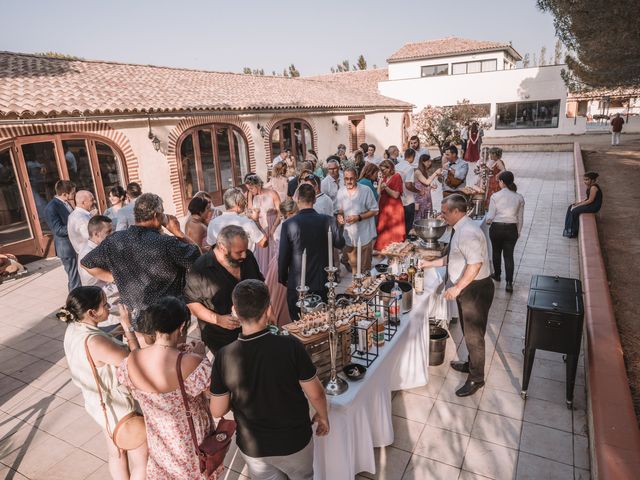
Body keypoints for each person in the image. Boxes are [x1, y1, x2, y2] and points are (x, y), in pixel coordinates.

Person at [210, 280, 329, 480]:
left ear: (234, 312)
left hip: (254, 447)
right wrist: (323, 415)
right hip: (294, 441)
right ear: (268, 310)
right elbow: (316, 393)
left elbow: (217, 410)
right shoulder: (290, 346)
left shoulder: (223, 356)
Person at [117, 297, 220, 480]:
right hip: (192, 441)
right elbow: (213, 395)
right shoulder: (192, 363)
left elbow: (137, 356)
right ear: (182, 327)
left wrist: (128, 328)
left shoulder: (132, 362)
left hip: (160, 441)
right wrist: (200, 356)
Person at [59, 286, 147, 479]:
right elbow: (134, 360)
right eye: (105, 305)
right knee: (142, 459)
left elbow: (99, 348)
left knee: (116, 454)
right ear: (92, 313)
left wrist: (113, 334)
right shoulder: (95, 342)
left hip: (98, 405)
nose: (109, 307)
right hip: (119, 407)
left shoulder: (73, 328)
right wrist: (127, 326)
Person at [81, 193, 200, 328]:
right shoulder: (167, 243)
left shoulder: (114, 240)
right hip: (168, 317)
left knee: (145, 348)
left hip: (137, 318)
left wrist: (114, 277)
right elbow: (198, 259)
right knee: (173, 349)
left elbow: (86, 263)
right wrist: (178, 233)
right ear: (156, 215)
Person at [420, 195, 494, 397]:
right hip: (469, 288)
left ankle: (476, 378)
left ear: (456, 212)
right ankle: (471, 364)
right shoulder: (460, 228)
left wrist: (457, 287)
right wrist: (429, 263)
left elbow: (475, 264)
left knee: (473, 337)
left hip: (475, 289)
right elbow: (453, 258)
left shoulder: (468, 232)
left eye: (444, 212)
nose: (441, 215)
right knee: (467, 331)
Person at [185, 225, 264, 353]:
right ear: (222, 247)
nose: (244, 255)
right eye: (238, 252)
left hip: (253, 329)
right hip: (222, 337)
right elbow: (192, 303)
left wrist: (268, 307)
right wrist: (218, 319)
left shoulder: (248, 257)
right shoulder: (200, 269)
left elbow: (259, 283)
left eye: (245, 250)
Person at [279, 184, 344, 320]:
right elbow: (340, 243)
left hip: (298, 284)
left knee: (299, 323)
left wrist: (283, 277)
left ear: (297, 199)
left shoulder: (288, 224)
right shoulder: (328, 220)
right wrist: (341, 226)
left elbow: (283, 256)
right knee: (322, 321)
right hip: (322, 281)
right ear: (314, 200)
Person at [485, 171, 525, 293]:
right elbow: (520, 218)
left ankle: (497, 275)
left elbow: (490, 216)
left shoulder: (495, 196)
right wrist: (518, 232)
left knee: (496, 252)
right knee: (509, 256)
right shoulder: (519, 197)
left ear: (502, 182)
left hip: (496, 228)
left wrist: (488, 221)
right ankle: (509, 283)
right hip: (511, 229)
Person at [335, 167, 379, 274]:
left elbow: (375, 210)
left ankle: (366, 287)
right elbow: (339, 210)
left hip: (365, 234)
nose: (349, 181)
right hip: (349, 234)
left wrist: (358, 217)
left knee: (365, 269)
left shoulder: (365, 190)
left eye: (351, 178)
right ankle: (356, 286)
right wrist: (339, 216)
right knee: (354, 267)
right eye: (346, 179)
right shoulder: (341, 192)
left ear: (356, 177)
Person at [265, 200, 298, 327]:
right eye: (296, 212)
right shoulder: (283, 228)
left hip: (280, 262)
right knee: (283, 296)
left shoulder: (283, 226)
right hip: (284, 264)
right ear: (290, 213)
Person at [44, 179, 80, 291]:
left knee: (78, 275)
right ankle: (74, 302)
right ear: (65, 194)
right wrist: (77, 226)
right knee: (74, 277)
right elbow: (58, 230)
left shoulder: (66, 202)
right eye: (73, 193)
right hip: (66, 248)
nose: (74, 195)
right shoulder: (51, 208)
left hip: (74, 244)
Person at [246, 174, 281, 275]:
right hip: (260, 227)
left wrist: (274, 227)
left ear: (257, 185)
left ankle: (274, 275)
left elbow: (280, 212)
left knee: (273, 253)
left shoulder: (272, 193)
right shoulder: (252, 196)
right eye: (249, 189)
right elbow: (250, 211)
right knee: (262, 252)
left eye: (251, 188)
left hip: (273, 225)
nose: (251, 191)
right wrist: (249, 199)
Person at [374, 160, 405, 251]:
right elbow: (378, 193)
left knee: (394, 230)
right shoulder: (383, 178)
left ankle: (394, 250)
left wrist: (386, 187)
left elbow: (396, 195)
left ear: (390, 168)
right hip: (384, 207)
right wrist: (380, 181)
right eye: (381, 170)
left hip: (394, 208)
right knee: (383, 228)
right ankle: (384, 250)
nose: (383, 172)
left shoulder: (397, 176)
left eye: (384, 170)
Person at [563, 171, 603, 238]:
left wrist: (578, 206)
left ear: (592, 180)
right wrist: (577, 203)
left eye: (587, 179)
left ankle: (573, 231)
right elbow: (587, 199)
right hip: (590, 204)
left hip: (594, 206)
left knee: (574, 211)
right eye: (584, 179)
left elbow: (590, 200)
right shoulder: (589, 186)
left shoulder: (593, 188)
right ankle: (568, 229)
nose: (585, 181)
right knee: (570, 207)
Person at [395, 148, 420, 234]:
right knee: (407, 225)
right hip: (408, 200)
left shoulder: (396, 166)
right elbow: (408, 185)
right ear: (412, 157)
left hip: (398, 199)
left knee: (399, 224)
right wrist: (418, 191)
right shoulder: (409, 168)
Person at [414, 154, 442, 220]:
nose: (430, 163)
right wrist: (435, 173)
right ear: (423, 162)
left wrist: (431, 186)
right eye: (428, 161)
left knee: (426, 217)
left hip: (426, 198)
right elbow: (427, 182)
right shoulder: (417, 171)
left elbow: (425, 184)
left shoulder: (424, 171)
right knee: (419, 217)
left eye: (430, 161)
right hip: (420, 198)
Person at [67, 189, 96, 254]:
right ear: (83, 202)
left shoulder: (74, 214)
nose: (95, 202)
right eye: (92, 200)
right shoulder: (82, 218)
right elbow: (92, 239)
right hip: (90, 254)